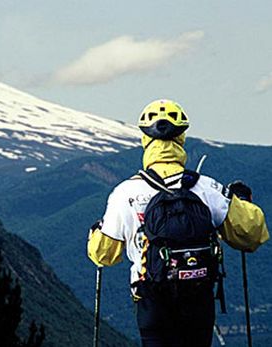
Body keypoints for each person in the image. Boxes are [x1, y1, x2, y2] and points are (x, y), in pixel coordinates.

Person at [87, 99, 269, 347]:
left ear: (144, 139)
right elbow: (251, 234)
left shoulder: (125, 193)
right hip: (198, 296)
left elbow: (104, 256)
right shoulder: (206, 188)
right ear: (182, 137)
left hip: (151, 299)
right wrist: (242, 202)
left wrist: (96, 233)